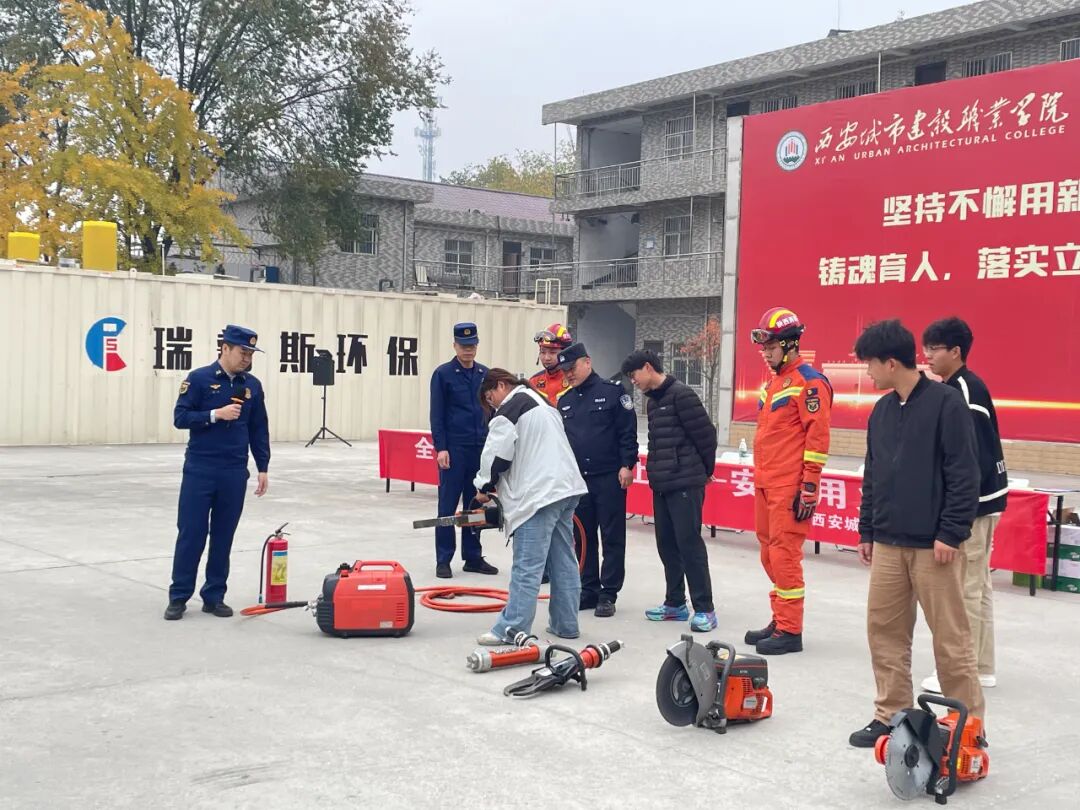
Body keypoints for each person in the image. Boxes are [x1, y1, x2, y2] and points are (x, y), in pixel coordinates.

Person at [848, 319, 984, 749]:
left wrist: (951, 531)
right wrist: (866, 529)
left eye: (870, 364)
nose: (867, 372)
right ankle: (891, 716)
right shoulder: (882, 411)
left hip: (934, 546)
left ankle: (967, 728)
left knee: (951, 638)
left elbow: (965, 474)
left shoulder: (946, 404)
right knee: (884, 631)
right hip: (888, 543)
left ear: (891, 362)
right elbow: (873, 476)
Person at [920, 317, 1008, 693]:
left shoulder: (963, 392)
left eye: (934, 350)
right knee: (979, 586)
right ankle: (981, 666)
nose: (927, 357)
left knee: (965, 590)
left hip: (975, 503)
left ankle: (959, 672)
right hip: (986, 501)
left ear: (955, 351)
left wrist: (955, 512)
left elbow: (964, 459)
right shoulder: (961, 386)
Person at [473, 369, 587, 645]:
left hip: (538, 496)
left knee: (527, 566)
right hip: (566, 488)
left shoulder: (510, 410)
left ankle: (510, 629)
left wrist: (483, 487)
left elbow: (496, 456)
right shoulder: (543, 404)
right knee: (563, 559)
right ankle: (565, 623)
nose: (492, 405)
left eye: (490, 398)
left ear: (502, 385)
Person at [164, 325, 271, 620]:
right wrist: (215, 414)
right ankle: (179, 596)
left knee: (224, 536)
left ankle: (214, 595)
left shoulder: (253, 386)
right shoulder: (199, 379)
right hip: (201, 469)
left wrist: (263, 466)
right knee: (192, 533)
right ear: (225, 348)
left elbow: (258, 428)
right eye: (242, 352)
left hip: (234, 471)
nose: (246, 358)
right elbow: (180, 417)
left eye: (251, 354)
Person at [746, 307, 833, 655]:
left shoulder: (810, 382)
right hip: (765, 483)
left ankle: (790, 630)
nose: (765, 354)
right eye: (763, 347)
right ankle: (779, 618)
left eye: (770, 347)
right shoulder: (775, 382)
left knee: (784, 556)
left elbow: (818, 437)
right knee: (769, 554)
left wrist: (809, 486)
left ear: (790, 344)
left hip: (789, 486)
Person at [621, 348, 718, 632]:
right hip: (662, 484)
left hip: (686, 482)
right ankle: (675, 603)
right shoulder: (653, 403)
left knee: (690, 545)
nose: (633, 381)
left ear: (648, 367)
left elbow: (706, 436)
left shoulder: (682, 395)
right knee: (667, 545)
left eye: (634, 375)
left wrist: (705, 472)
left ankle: (705, 608)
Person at [555, 342, 638, 617]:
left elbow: (627, 432)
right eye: (565, 370)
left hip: (609, 477)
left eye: (573, 368)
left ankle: (608, 593)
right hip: (579, 481)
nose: (569, 374)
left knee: (612, 535)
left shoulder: (613, 392)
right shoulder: (565, 401)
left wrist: (628, 465)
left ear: (587, 362)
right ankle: (588, 589)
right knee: (583, 537)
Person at [429, 322, 498, 579]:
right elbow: (437, 415)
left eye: (472, 346)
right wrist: (441, 448)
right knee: (447, 505)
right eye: (463, 346)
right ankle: (444, 558)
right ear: (454, 345)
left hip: (479, 449)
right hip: (455, 449)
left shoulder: (485, 374)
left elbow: (493, 411)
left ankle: (473, 557)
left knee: (475, 504)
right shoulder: (443, 374)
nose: (468, 350)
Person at [529, 323, 574, 406]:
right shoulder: (533, 382)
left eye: (552, 352)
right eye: (543, 352)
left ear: (565, 352)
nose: (547, 358)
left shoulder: (575, 379)